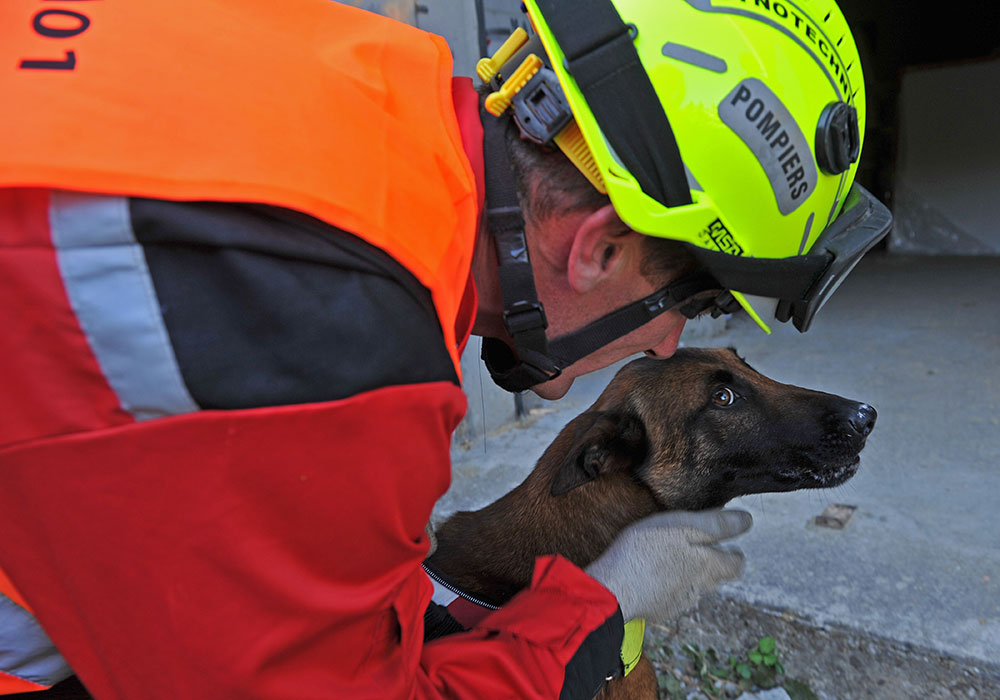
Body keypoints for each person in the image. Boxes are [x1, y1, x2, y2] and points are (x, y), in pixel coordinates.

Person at [0, 0, 890, 697]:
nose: (666, 339)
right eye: (689, 301)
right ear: (600, 247)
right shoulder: (336, 339)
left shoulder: (337, 73)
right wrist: (596, 613)